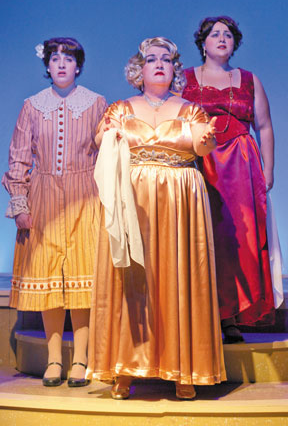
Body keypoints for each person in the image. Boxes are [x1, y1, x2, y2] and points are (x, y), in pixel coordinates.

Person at [87, 36, 226, 400]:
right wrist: (105, 134)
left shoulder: (190, 109)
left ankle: (184, 368)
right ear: (140, 69)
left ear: (175, 69)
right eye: (152, 59)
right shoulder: (121, 107)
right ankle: (124, 368)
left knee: (180, 276)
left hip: (180, 198)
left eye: (167, 59)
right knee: (132, 279)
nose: (160, 64)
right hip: (131, 198)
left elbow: (200, 144)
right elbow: (101, 140)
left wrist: (207, 141)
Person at [2, 37, 107, 386]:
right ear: (47, 66)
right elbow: (18, 157)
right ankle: (53, 360)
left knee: (81, 277)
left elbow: (107, 154)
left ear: (78, 65)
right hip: (44, 196)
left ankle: (81, 359)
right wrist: (19, 205)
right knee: (49, 279)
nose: (61, 64)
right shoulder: (32, 106)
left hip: (85, 195)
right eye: (55, 58)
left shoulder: (95, 103)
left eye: (69, 58)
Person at [182, 16, 276, 343]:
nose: (222, 39)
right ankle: (201, 313)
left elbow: (264, 126)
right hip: (200, 164)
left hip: (241, 165)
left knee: (239, 238)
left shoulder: (249, 80)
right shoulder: (185, 78)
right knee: (202, 236)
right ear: (203, 43)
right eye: (214, 34)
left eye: (228, 35)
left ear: (234, 43)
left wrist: (269, 169)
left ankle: (231, 316)